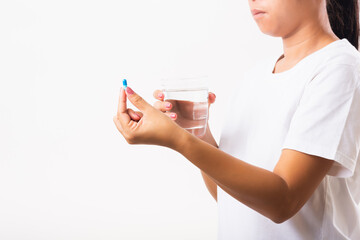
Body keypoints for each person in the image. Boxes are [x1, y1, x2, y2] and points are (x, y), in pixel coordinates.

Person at [113, 0, 360, 239]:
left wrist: (179, 141)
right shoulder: (254, 78)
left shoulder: (338, 67)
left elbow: (283, 201)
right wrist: (197, 134)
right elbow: (231, 199)